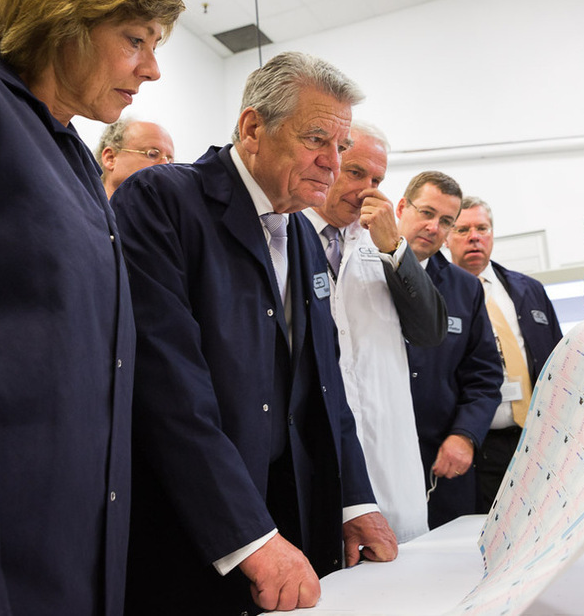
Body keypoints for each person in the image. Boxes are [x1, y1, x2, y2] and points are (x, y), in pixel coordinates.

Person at [111, 52, 396, 615]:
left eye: (340, 148)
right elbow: (168, 388)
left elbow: (326, 385)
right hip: (199, 530)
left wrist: (353, 501)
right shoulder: (165, 202)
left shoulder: (306, 237)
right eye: (317, 139)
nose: (332, 164)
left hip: (291, 514)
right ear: (252, 128)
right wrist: (250, 537)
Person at [0, 0, 183, 613]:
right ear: (63, 20)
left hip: (75, 554)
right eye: (136, 39)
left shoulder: (72, 151)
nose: (153, 69)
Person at [303, 120, 447, 543]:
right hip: (323, 440)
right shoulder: (288, 232)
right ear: (329, 162)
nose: (367, 190)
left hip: (388, 443)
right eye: (355, 173)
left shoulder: (379, 242)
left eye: (377, 180)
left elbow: (429, 329)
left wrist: (394, 248)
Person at [396, 172, 504, 528]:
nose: (433, 227)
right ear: (401, 208)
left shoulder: (464, 289)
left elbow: (484, 376)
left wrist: (465, 435)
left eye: (445, 221)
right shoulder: (362, 270)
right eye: (426, 213)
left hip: (442, 463)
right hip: (374, 455)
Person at [447, 196, 563, 513]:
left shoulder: (529, 289)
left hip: (536, 441)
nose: (474, 236)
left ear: (492, 233)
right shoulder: (437, 296)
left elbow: (558, 359)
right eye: (462, 229)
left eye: (482, 228)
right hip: (480, 448)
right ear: (447, 236)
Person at [96, 118, 175, 198]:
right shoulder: (85, 207)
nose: (166, 165)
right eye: (152, 154)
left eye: (170, 161)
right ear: (110, 158)